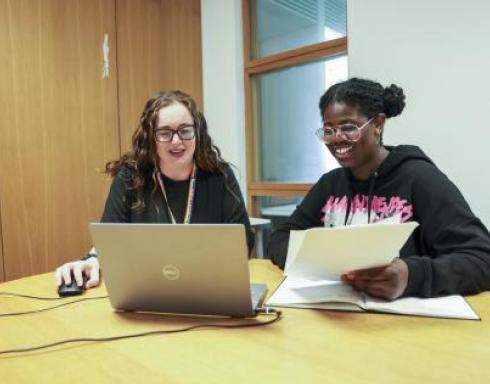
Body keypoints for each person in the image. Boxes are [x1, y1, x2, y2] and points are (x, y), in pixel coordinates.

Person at [268, 77, 490, 300]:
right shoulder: (330, 184)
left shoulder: (421, 179)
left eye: (348, 127)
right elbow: (280, 238)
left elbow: (482, 258)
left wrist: (411, 276)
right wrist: (317, 259)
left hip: (407, 325)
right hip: (337, 314)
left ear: (378, 124)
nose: (337, 138)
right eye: (329, 130)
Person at [55, 90, 254, 289]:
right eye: (165, 133)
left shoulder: (220, 176)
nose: (177, 141)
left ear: (198, 132)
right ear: (151, 138)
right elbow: (110, 241)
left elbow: (243, 243)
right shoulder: (130, 177)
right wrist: (91, 261)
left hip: (210, 286)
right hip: (145, 289)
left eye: (185, 130)